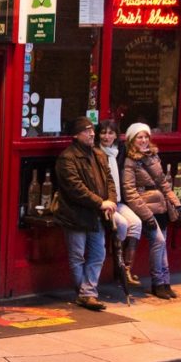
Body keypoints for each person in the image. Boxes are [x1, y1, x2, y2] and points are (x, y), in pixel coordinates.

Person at [53, 117, 117, 310]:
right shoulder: (67, 158)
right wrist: (101, 203)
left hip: (95, 214)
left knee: (98, 253)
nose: (91, 134)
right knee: (78, 255)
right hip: (75, 215)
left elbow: (110, 180)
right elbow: (76, 189)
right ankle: (86, 294)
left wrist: (111, 201)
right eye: (86, 130)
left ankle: (86, 293)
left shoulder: (98, 154)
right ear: (75, 135)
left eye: (92, 130)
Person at [121, 123, 181, 299]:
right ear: (132, 139)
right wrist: (146, 216)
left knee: (162, 245)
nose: (144, 140)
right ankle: (157, 283)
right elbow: (130, 191)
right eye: (139, 137)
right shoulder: (130, 161)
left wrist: (176, 204)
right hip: (146, 207)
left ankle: (165, 282)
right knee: (159, 241)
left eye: (146, 136)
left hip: (161, 206)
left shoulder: (154, 156)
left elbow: (164, 183)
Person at [97, 120, 142, 286]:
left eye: (110, 133)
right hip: (105, 201)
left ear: (116, 135)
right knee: (122, 224)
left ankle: (127, 269)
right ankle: (118, 266)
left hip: (119, 200)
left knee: (136, 223)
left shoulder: (120, 152)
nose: (106, 136)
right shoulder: (95, 153)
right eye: (103, 133)